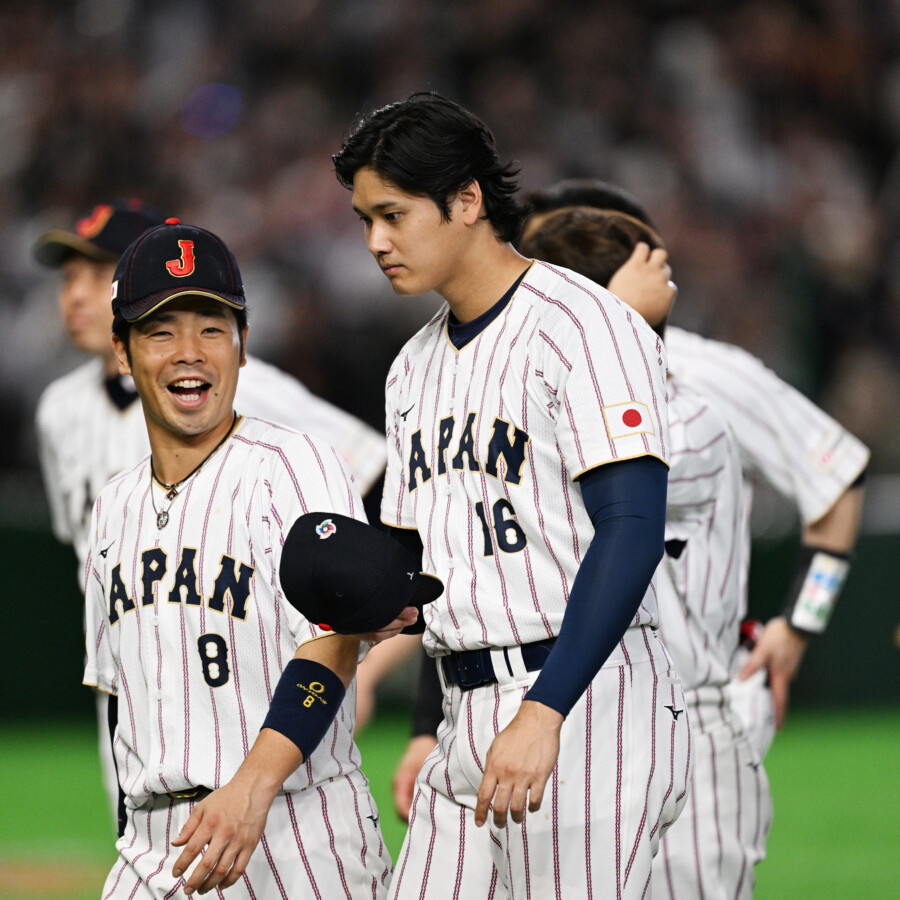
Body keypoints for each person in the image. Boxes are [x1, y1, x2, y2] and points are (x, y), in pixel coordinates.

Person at [333, 92, 691, 899]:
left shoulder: (586, 325)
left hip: (588, 701)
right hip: (464, 706)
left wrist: (545, 709)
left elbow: (631, 527)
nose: (376, 241)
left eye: (392, 215)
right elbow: (421, 572)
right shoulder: (411, 368)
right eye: (365, 221)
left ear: (466, 200)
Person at [83, 217, 413, 898]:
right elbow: (119, 699)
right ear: (122, 351)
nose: (190, 353)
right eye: (160, 332)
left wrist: (251, 786)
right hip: (153, 846)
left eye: (212, 329)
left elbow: (330, 644)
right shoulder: (112, 506)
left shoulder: (294, 465)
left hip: (295, 833)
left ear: (242, 344)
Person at [523, 179, 869, 758]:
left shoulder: (708, 371)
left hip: (696, 706)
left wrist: (800, 624)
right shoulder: (519, 372)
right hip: (566, 706)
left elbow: (839, 478)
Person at [518, 205, 772, 897]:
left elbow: (615, 477)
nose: (663, 266)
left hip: (693, 719)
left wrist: (614, 320)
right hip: (580, 714)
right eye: (641, 259)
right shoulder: (545, 402)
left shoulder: (693, 415)